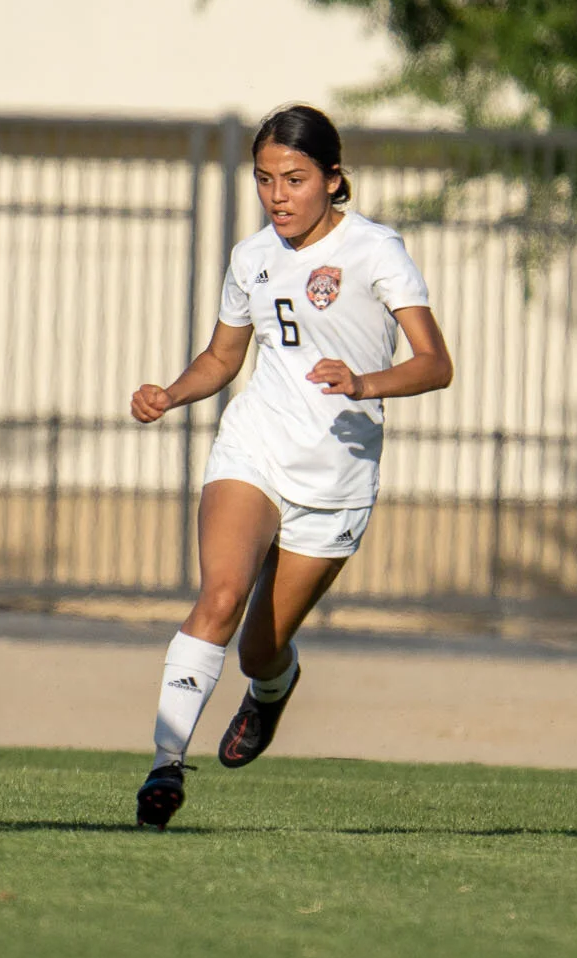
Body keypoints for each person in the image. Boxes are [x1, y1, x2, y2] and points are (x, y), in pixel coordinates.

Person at [127, 104, 452, 828]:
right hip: (256, 448)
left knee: (259, 648)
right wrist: (171, 393)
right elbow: (223, 357)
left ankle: (271, 691)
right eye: (265, 179)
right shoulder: (252, 257)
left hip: (336, 476)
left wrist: (364, 382)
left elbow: (436, 363)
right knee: (221, 595)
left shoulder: (376, 250)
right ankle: (165, 765)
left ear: (333, 179)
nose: (277, 196)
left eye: (295, 179)